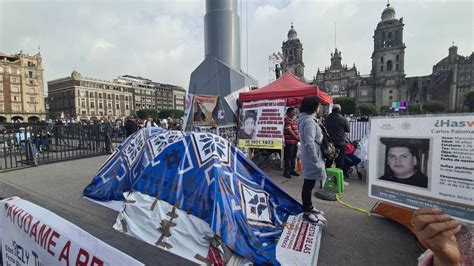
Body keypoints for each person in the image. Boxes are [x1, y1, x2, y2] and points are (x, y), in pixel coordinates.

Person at [297, 96, 327, 224]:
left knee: (309, 184)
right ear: (314, 107)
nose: (319, 108)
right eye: (318, 106)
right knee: (308, 185)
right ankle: (307, 212)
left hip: (310, 155)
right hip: (312, 157)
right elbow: (309, 142)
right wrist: (315, 160)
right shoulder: (309, 121)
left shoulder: (306, 119)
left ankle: (308, 207)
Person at [324, 104, 350, 170]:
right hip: (340, 143)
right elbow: (348, 130)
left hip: (330, 143)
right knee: (340, 161)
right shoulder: (343, 119)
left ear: (332, 110)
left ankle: (326, 176)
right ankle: (337, 178)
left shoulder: (327, 119)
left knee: (329, 160)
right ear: (339, 110)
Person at [283, 107, 300, 179]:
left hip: (294, 142)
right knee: (288, 158)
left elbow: (296, 131)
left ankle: (292, 170)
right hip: (289, 142)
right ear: (288, 113)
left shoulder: (294, 120)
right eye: (292, 112)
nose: (294, 113)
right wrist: (297, 138)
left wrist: (298, 138)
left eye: (295, 112)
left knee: (293, 157)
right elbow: (290, 132)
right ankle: (286, 172)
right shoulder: (286, 120)